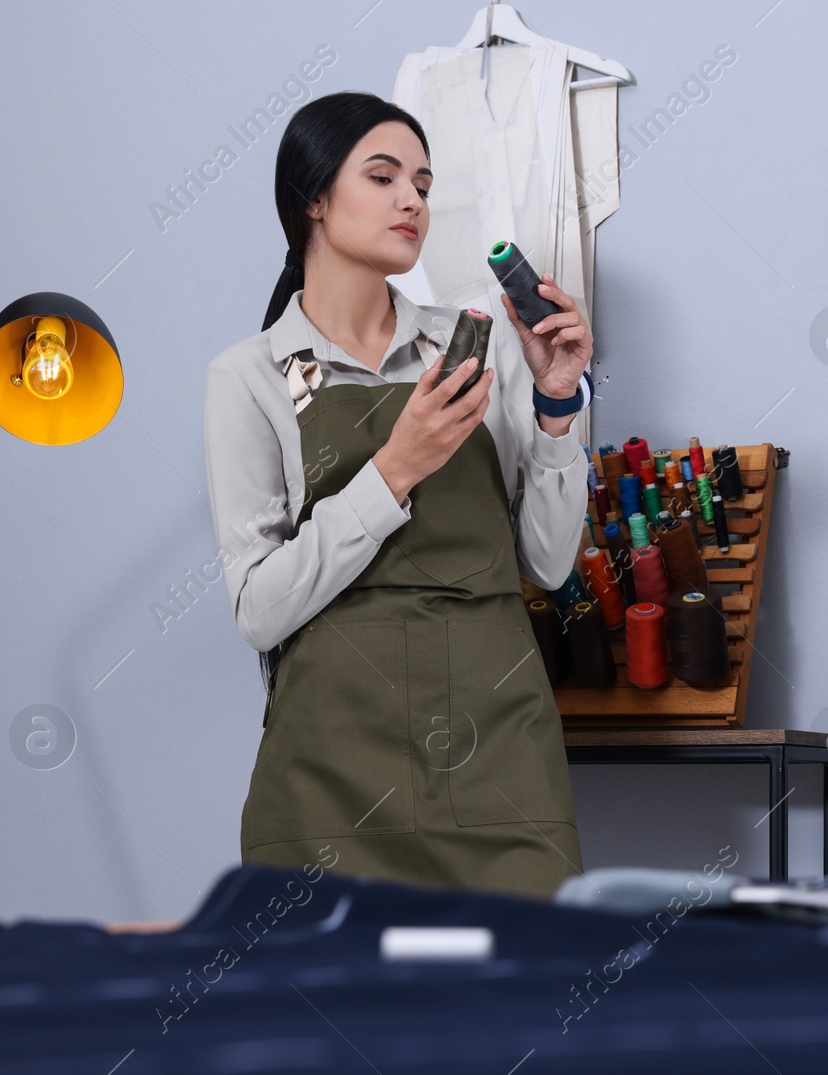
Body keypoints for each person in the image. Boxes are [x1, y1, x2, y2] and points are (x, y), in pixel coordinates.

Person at [202, 92, 595, 900]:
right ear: (312, 197)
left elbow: (550, 564)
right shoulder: (247, 377)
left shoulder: (475, 346)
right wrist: (394, 470)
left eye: (421, 180)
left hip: (499, 751)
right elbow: (259, 609)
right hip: (330, 769)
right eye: (382, 177)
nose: (412, 199)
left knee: (527, 1002)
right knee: (335, 1015)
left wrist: (558, 405)